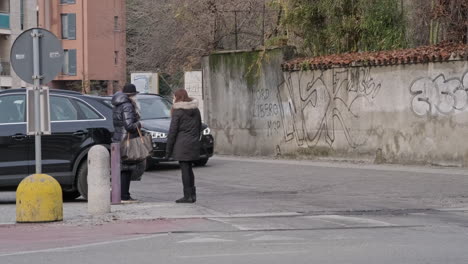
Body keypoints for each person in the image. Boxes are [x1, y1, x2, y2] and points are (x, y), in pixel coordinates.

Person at [166, 89, 202, 203]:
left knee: (185, 170)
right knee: (189, 169)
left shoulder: (178, 111)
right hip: (193, 143)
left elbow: (173, 132)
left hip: (182, 144)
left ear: (177, 97)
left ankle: (187, 196)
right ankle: (192, 194)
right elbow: (199, 127)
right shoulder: (195, 110)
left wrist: (168, 151)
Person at [111, 83, 143, 203]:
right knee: (127, 168)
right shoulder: (127, 106)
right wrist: (139, 124)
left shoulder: (117, 104)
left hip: (119, 138)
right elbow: (129, 126)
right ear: (132, 95)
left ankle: (122, 194)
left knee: (124, 168)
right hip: (127, 140)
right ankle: (124, 195)